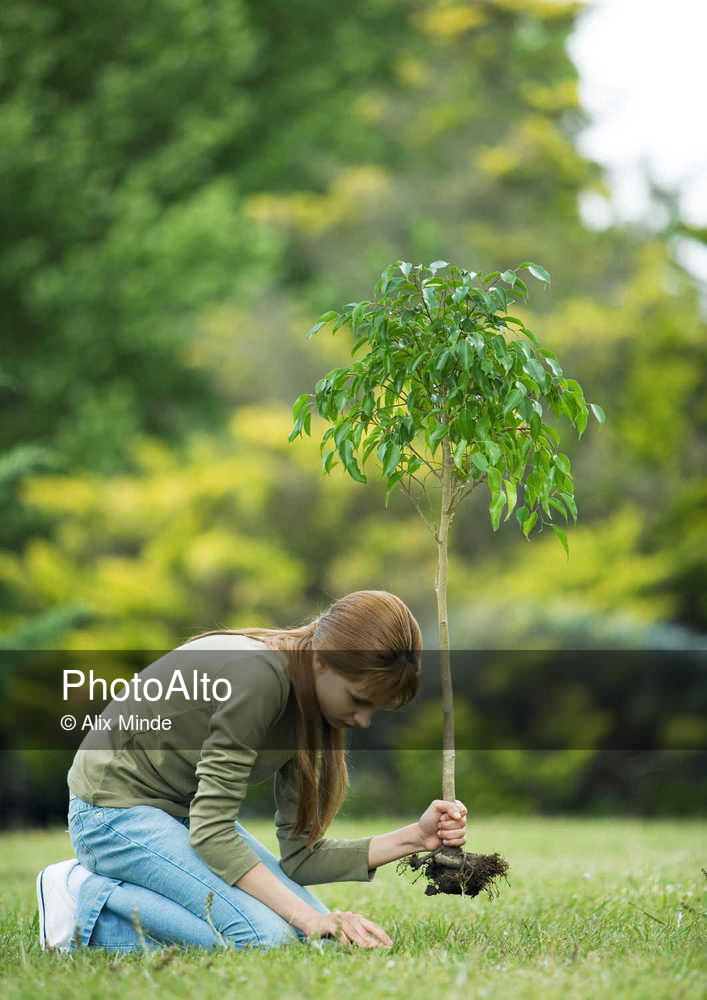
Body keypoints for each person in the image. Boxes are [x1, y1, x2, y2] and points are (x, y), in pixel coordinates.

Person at [36, 590, 468, 953]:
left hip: (175, 817)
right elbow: (212, 832)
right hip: (110, 813)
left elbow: (300, 858)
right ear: (322, 660)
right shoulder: (258, 678)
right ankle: (81, 902)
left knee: (312, 939)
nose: (364, 720)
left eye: (374, 707)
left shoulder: (311, 705)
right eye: (358, 700)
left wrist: (417, 837)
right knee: (267, 938)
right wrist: (308, 917)